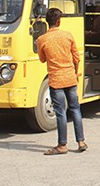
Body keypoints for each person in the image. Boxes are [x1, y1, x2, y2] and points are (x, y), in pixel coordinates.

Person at [37, 8, 87, 155]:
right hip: (70, 77)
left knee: (60, 112)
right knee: (75, 109)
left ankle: (62, 145)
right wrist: (75, 72)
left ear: (47, 22)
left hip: (56, 80)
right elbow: (77, 58)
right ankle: (81, 141)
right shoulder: (68, 36)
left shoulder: (42, 39)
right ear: (59, 21)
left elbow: (42, 59)